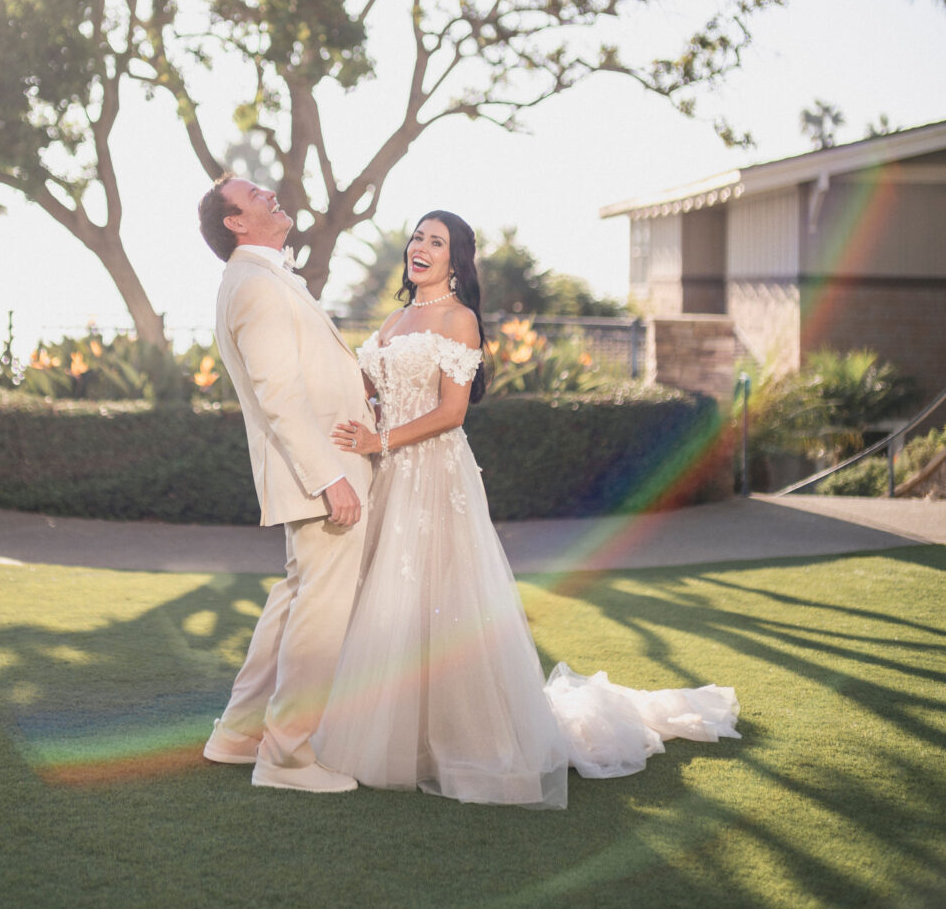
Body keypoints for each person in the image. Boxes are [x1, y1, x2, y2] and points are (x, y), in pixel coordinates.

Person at [312, 209, 740, 807]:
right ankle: (398, 735)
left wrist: (379, 440)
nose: (421, 247)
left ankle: (466, 737)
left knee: (443, 599)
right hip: (390, 476)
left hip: (435, 472)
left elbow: (451, 413)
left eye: (436, 242)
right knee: (391, 601)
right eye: (417, 237)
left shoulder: (460, 320)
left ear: (457, 261)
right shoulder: (395, 317)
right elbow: (371, 389)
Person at [196, 174, 375, 793]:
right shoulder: (251, 284)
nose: (272, 194)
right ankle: (289, 759)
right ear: (236, 223)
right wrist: (331, 479)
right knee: (318, 616)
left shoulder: (263, 278)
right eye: (256, 196)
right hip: (319, 471)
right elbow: (280, 396)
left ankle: (238, 736)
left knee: (294, 601)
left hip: (320, 468)